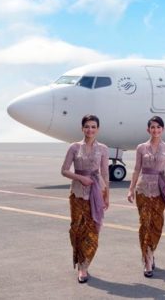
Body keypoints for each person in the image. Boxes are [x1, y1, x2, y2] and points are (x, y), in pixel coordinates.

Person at [126, 116, 165, 278]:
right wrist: (131, 189)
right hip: (143, 188)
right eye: (152, 127)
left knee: (157, 224)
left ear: (162, 129)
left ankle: (150, 250)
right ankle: (147, 259)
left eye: (158, 127)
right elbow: (136, 169)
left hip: (160, 188)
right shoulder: (141, 148)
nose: (155, 130)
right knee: (145, 223)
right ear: (148, 129)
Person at [60, 114, 110, 283]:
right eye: (87, 126)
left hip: (95, 193)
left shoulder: (103, 148)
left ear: (98, 129)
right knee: (77, 229)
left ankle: (84, 267)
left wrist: (106, 195)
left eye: (93, 127)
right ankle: (79, 259)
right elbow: (64, 170)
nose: (90, 130)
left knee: (93, 231)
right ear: (82, 128)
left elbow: (105, 173)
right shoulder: (74, 147)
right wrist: (80, 178)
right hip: (77, 194)